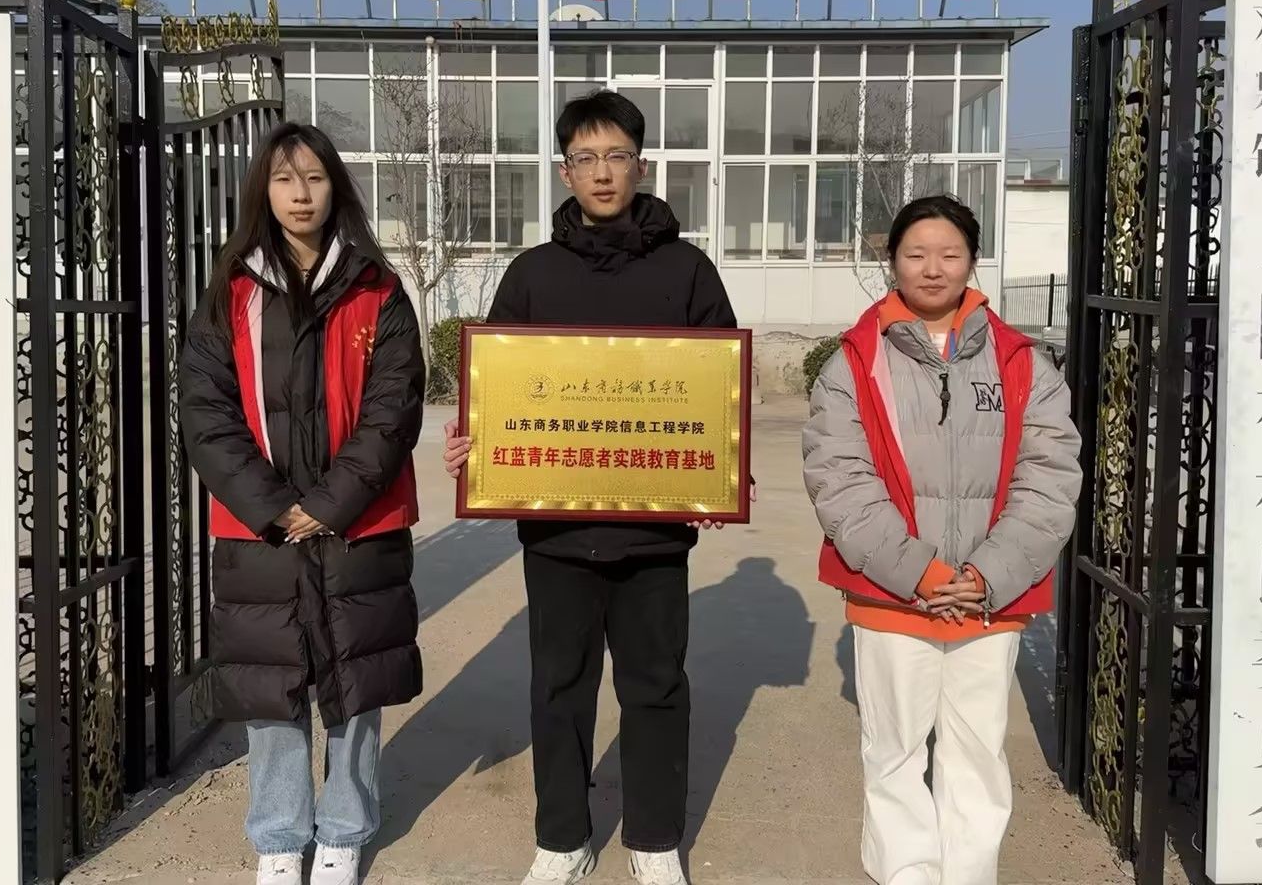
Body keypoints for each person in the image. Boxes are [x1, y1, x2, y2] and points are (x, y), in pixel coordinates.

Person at [442, 90, 748, 885]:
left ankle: (654, 838)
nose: (602, 172)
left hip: (654, 533)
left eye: (617, 156)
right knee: (559, 688)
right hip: (556, 531)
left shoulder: (687, 270)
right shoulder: (533, 274)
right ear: (565, 171)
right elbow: (496, 392)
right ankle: (562, 837)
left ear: (641, 165)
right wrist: (474, 446)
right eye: (586, 158)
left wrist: (722, 465)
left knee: (656, 686)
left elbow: (719, 391)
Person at [802, 195, 1081, 885]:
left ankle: (969, 874)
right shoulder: (854, 363)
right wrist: (921, 574)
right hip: (895, 594)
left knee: (977, 752)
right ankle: (907, 873)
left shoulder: (1023, 362)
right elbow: (840, 481)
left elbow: (1050, 478)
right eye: (917, 254)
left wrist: (986, 576)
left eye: (950, 254)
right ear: (891, 261)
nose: (933, 268)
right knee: (895, 750)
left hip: (989, 599)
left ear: (972, 261)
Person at [180, 123, 425, 885]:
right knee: (271, 685)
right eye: (285, 179)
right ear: (264, 190)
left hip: (358, 525)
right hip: (263, 534)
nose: (300, 194)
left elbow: (395, 410)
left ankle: (346, 829)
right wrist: (273, 506)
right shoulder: (231, 293)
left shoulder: (378, 291)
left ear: (335, 188)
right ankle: (281, 837)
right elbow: (205, 411)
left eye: (314, 178)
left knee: (355, 680)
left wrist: (329, 503)